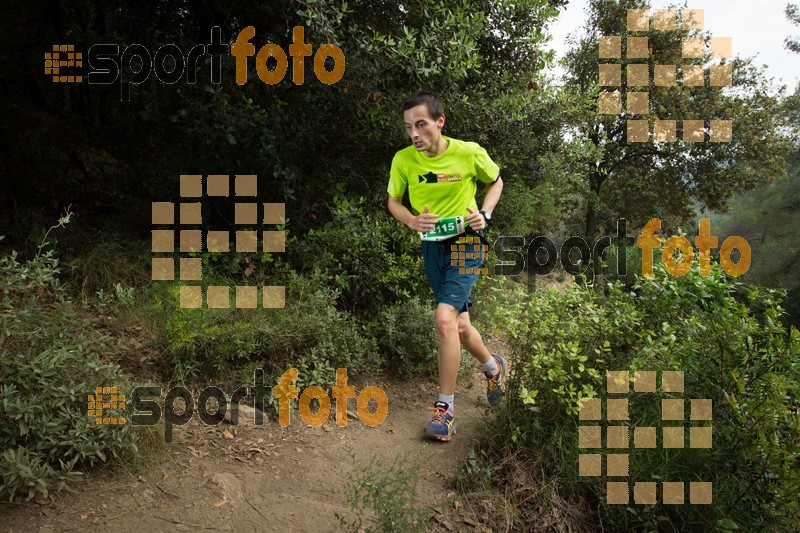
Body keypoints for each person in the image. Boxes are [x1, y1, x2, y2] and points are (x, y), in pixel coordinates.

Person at [386, 90, 507, 442]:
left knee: (443, 318)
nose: (414, 134)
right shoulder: (403, 160)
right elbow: (393, 201)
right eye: (409, 127)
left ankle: (446, 410)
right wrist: (411, 221)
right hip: (432, 248)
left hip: (467, 241)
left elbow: (495, 180)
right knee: (461, 326)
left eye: (421, 125)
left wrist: (485, 214)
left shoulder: (468, 152)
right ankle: (493, 366)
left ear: (440, 122)